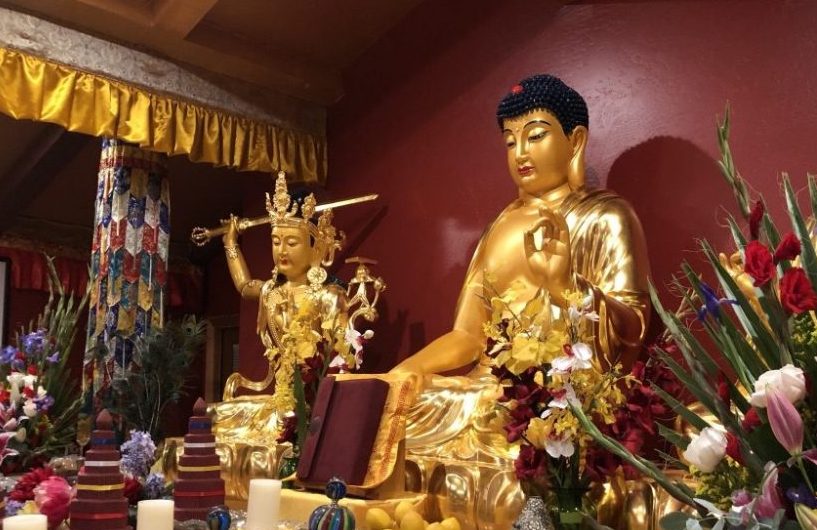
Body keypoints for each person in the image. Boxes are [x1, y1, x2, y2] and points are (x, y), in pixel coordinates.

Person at [393, 74, 651, 528]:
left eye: (535, 136)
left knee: (517, 427)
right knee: (411, 407)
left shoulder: (606, 216)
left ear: (575, 141)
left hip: (566, 397)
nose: (521, 154)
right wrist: (407, 371)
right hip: (491, 392)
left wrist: (565, 285)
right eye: (510, 142)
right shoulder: (501, 226)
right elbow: (467, 336)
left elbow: (633, 329)